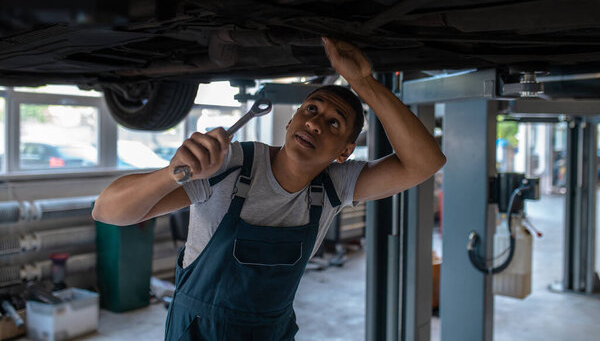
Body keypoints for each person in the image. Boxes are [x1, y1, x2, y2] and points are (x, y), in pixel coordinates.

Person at [92, 37, 446, 340]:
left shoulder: (336, 186)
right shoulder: (229, 166)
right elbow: (106, 211)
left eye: (333, 122)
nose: (314, 122)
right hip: (199, 331)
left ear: (345, 152)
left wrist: (364, 82)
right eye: (311, 108)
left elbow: (423, 163)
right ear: (291, 120)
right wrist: (173, 173)